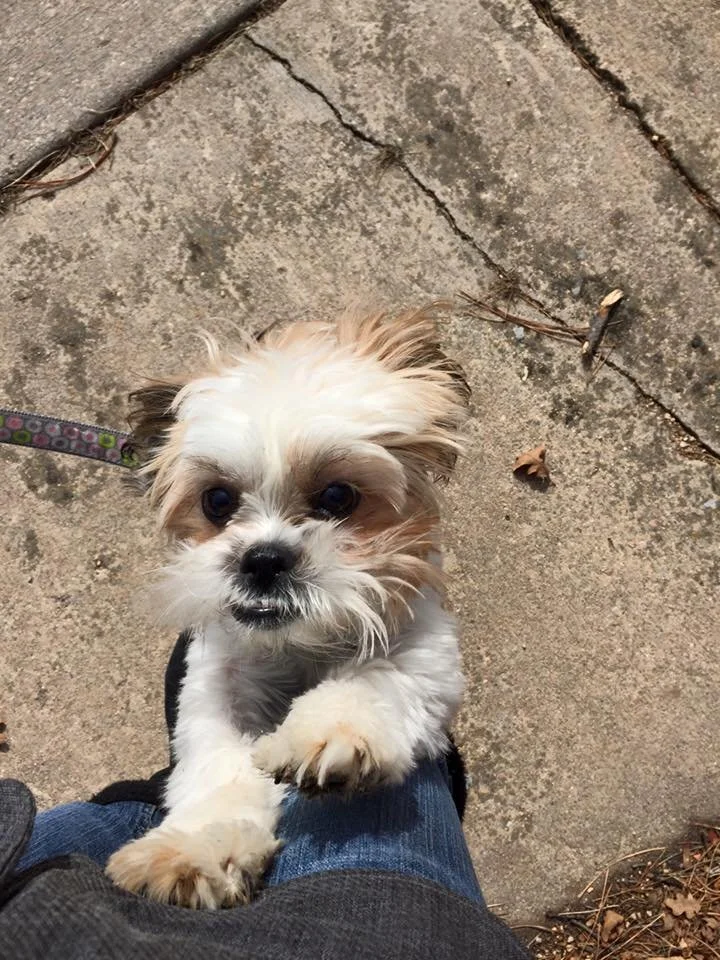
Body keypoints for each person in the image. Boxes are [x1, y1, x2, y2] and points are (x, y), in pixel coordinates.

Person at [0, 635, 529, 959]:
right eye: (220, 505)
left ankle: (184, 808)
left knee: (139, 812)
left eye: (337, 501)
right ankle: (349, 728)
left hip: (21, 882)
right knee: (373, 753)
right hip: (384, 929)